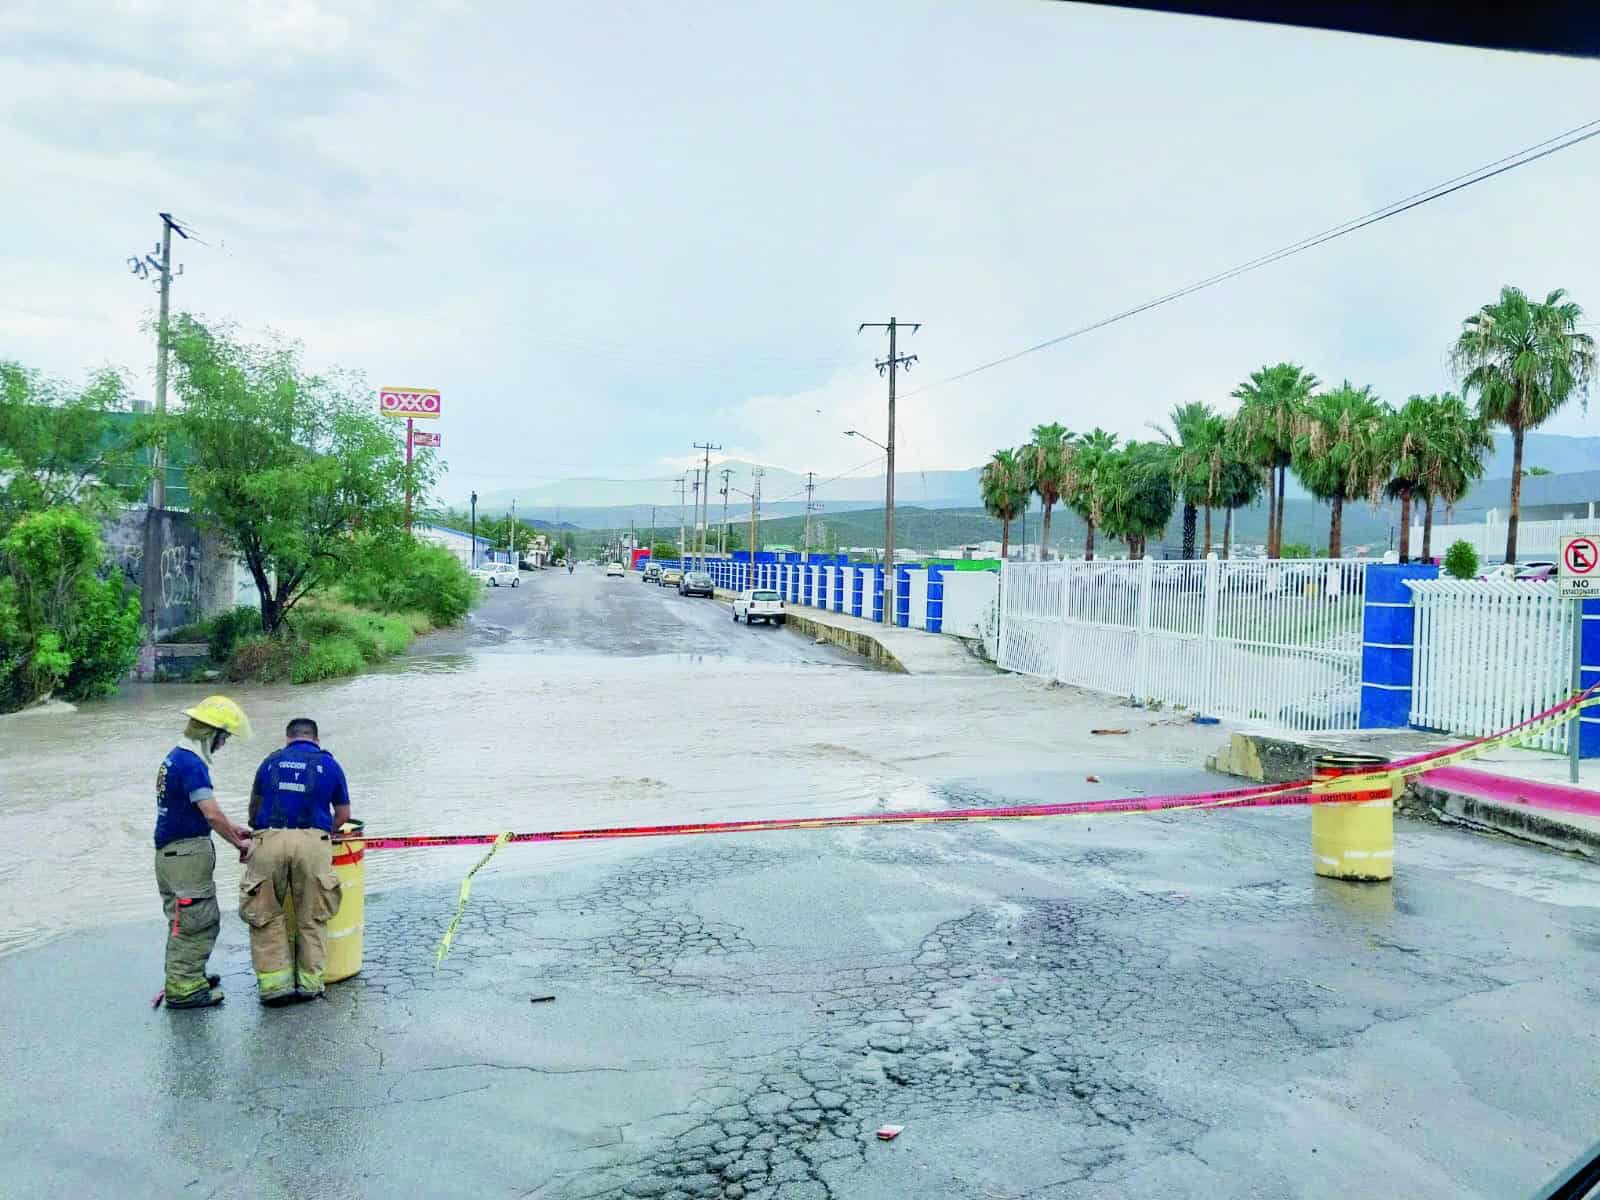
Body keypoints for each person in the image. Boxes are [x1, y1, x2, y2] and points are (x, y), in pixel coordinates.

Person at [241, 717, 351, 1006]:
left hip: (269, 840)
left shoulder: (269, 763)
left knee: (264, 912)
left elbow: (254, 809)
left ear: (287, 737)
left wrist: (259, 832)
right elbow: (342, 813)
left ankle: (275, 986)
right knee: (313, 914)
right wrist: (325, 834)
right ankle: (309, 985)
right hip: (313, 842)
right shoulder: (330, 765)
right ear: (316, 738)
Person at [155, 696, 254, 1010]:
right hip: (185, 855)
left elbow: (197, 811)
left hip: (171, 854)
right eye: (224, 738)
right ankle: (185, 989)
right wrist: (239, 843)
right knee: (197, 920)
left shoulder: (175, 758)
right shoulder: (192, 765)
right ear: (211, 733)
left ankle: (189, 977)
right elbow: (210, 813)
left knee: (183, 919)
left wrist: (232, 826)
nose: (223, 745)